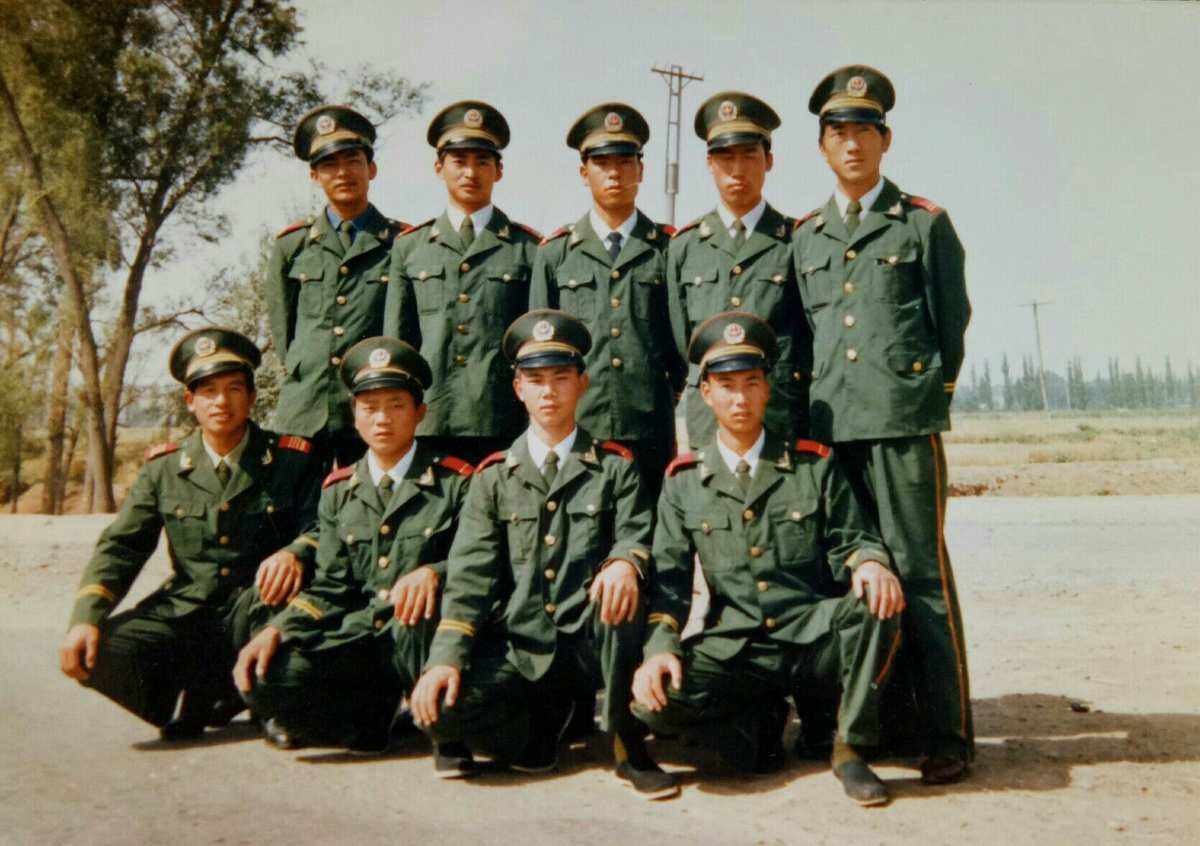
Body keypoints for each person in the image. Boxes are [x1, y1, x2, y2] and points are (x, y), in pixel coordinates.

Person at [631, 312, 905, 806]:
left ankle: (849, 745)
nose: (740, 399)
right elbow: (669, 583)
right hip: (739, 646)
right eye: (727, 386)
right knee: (654, 705)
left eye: (751, 384)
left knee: (877, 601)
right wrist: (659, 649)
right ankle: (762, 717)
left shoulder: (812, 464)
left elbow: (853, 538)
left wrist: (869, 561)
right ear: (705, 393)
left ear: (767, 388)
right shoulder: (683, 482)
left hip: (811, 636)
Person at [410, 310, 679, 800]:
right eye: (535, 380)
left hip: (590, 642)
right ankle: (545, 722)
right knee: (439, 713)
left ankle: (626, 742)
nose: (549, 391)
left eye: (561, 377)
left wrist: (624, 561)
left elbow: (636, 534)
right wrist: (445, 660)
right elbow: (470, 576)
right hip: (523, 644)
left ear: (583, 384)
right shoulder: (493, 477)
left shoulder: (616, 468)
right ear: (518, 389)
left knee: (623, 591)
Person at [792, 64, 974, 783]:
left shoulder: (922, 222)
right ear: (822, 147)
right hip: (832, 431)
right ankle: (870, 724)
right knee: (850, 579)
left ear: (885, 139)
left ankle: (947, 733)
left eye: (864, 131)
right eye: (838, 132)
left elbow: (950, 324)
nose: (852, 143)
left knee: (920, 577)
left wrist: (923, 398)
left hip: (901, 427)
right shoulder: (807, 236)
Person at [58, 328, 319, 740]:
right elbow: (121, 546)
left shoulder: (290, 459)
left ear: (252, 397)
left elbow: (321, 526)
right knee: (99, 651)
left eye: (234, 389)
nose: (221, 402)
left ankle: (266, 701)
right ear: (189, 401)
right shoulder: (163, 468)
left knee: (282, 621)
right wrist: (84, 619)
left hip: (260, 604)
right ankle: (206, 689)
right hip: (190, 607)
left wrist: (296, 552)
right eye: (208, 391)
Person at [233, 337, 472, 756]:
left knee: (415, 613)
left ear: (420, 413)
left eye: (396, 405)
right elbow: (332, 585)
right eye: (369, 407)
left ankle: (445, 731)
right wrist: (278, 628)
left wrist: (434, 573)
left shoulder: (457, 482)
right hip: (364, 632)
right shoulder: (339, 491)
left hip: (422, 632)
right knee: (266, 677)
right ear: (354, 414)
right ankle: (368, 715)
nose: (382, 419)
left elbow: (479, 562)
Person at [530, 102, 684, 492]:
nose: (614, 173)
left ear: (641, 170)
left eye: (624, 161)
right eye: (601, 163)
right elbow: (539, 347)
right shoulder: (556, 253)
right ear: (584, 173)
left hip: (649, 423)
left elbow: (680, 346)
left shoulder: (667, 249)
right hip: (579, 423)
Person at [384, 100, 541, 464]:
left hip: (501, 419)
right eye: (459, 161)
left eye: (482, 161)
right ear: (439, 168)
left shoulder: (527, 248)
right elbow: (399, 342)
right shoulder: (410, 248)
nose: (471, 172)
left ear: (499, 170)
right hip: (431, 418)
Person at [666, 91, 809, 453]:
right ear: (709, 163)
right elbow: (681, 343)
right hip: (708, 420)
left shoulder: (796, 240)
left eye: (749, 155)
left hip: (780, 414)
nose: (737, 169)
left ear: (769, 160)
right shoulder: (685, 247)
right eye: (726, 157)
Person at [266, 104, 405, 474]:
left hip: (371, 406)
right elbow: (285, 332)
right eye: (329, 164)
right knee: (293, 500)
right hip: (305, 404)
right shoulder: (292, 245)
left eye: (352, 161)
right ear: (314, 175)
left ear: (371, 169)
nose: (342, 173)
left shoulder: (401, 243)